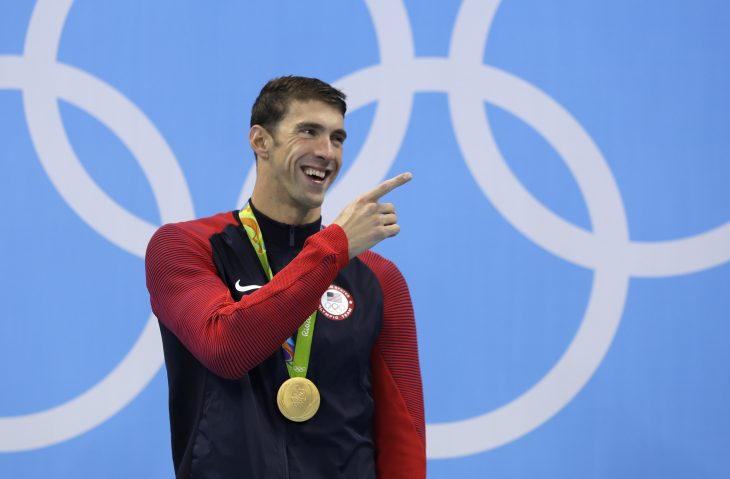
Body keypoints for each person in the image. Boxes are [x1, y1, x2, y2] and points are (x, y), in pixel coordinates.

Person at [145, 76, 425, 478]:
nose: (327, 152)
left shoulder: (379, 278)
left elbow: (404, 430)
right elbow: (226, 347)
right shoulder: (186, 247)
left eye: (338, 138)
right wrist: (335, 246)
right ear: (260, 141)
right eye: (309, 131)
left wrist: (336, 249)